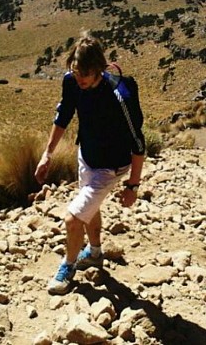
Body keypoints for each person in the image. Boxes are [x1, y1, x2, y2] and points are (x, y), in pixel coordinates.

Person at [34, 32, 146, 295]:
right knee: (90, 209)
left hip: (110, 167)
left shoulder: (120, 94)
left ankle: (68, 266)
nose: (79, 78)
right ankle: (95, 253)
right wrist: (46, 155)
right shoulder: (71, 82)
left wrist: (133, 186)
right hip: (87, 155)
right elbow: (63, 116)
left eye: (85, 74)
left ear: (99, 68)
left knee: (73, 220)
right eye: (75, 71)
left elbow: (138, 143)